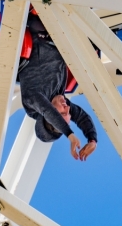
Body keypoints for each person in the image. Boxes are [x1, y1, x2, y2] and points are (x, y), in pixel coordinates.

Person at [17, 11, 97, 160]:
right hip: (59, 38)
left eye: (62, 113)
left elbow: (48, 111)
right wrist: (92, 139)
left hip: (40, 31)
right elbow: (82, 118)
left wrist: (70, 135)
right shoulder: (59, 97)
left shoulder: (32, 101)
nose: (67, 107)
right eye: (68, 113)